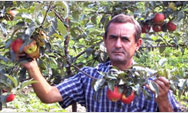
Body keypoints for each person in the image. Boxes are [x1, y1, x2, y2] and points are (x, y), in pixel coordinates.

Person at [20, 14, 181, 112]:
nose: (118, 44)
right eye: (113, 38)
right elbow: (49, 95)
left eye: (125, 39)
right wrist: (32, 65)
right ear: (105, 41)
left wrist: (163, 101)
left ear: (137, 44)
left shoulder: (152, 81)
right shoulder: (90, 76)